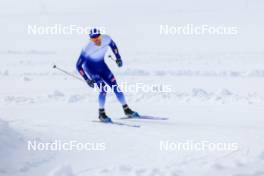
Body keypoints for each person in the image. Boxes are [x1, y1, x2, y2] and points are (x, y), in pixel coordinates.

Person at [76, 28, 139, 122]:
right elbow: (78, 65)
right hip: (91, 69)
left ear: (100, 36)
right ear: (90, 40)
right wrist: (86, 79)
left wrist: (118, 58)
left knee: (116, 87)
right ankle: (101, 114)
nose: (97, 40)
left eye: (98, 38)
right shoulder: (87, 48)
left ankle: (126, 109)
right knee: (103, 89)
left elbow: (113, 46)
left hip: (102, 66)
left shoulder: (106, 38)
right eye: (94, 39)